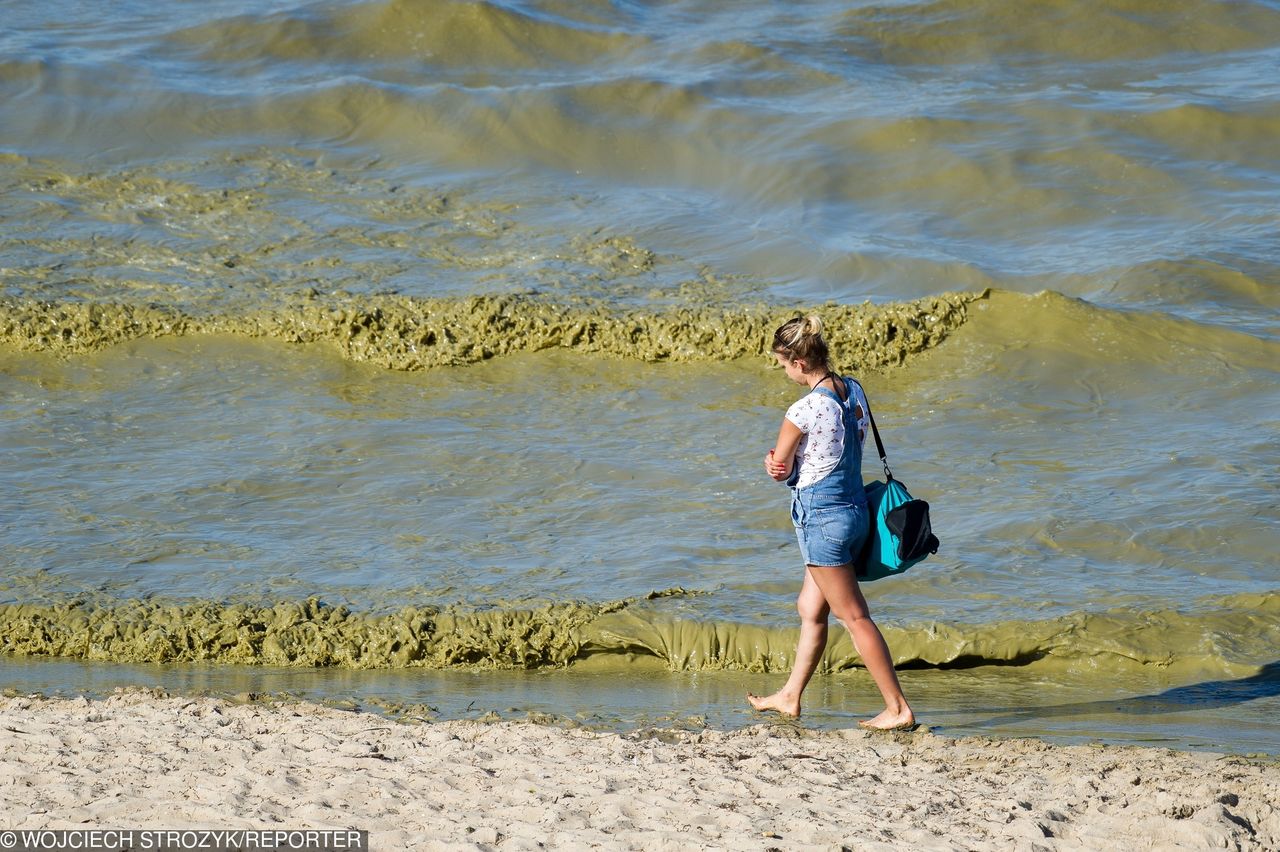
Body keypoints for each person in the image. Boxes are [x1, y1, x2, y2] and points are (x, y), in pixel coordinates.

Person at [747, 314, 916, 731]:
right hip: (855, 511)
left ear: (799, 363)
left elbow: (783, 469)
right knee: (810, 607)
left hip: (823, 521)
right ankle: (789, 696)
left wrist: (772, 464)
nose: (784, 372)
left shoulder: (802, 410)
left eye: (783, 364)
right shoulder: (853, 389)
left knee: (855, 617)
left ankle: (897, 708)